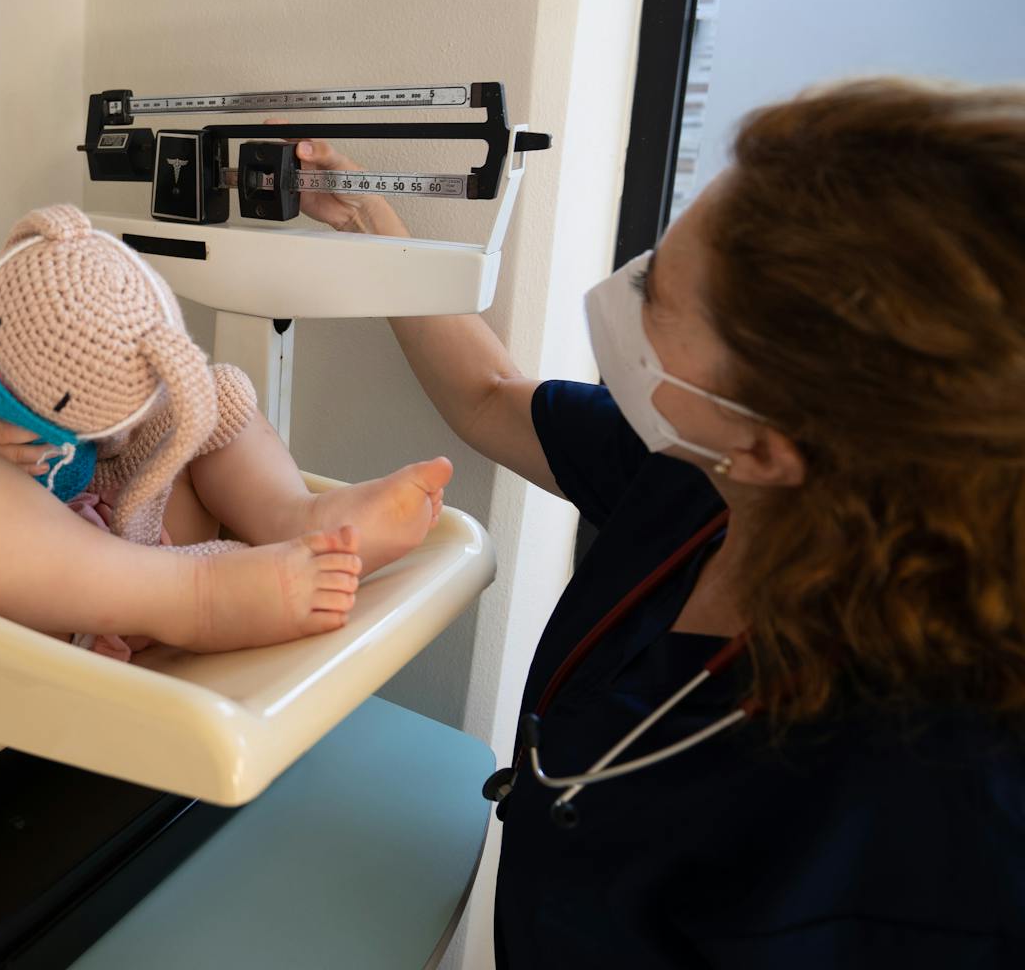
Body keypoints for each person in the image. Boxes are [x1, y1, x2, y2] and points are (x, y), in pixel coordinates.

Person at [285, 78, 1025, 965]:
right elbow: (489, 400)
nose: (623, 292)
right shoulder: (702, 473)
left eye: (659, 296)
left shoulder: (913, 844)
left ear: (772, 445)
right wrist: (374, 219)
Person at [0, 88, 454, 654]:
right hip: (22, 583)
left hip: (118, 514)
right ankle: (198, 596)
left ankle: (299, 520)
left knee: (200, 391)